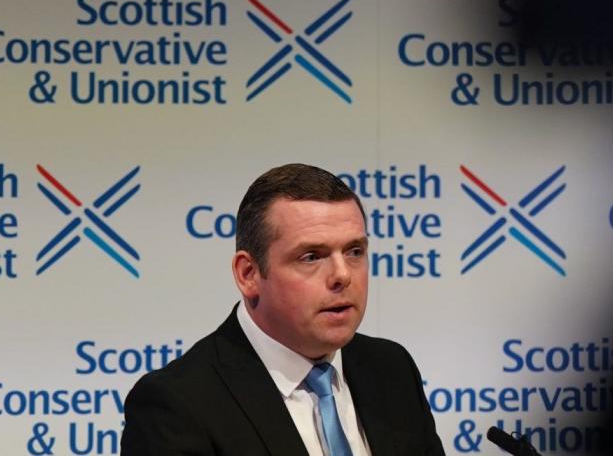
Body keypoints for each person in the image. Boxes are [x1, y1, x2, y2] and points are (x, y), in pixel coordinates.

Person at [123, 163, 444, 456]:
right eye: (311, 257)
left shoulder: (391, 369)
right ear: (248, 274)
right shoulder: (177, 405)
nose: (343, 275)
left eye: (354, 251)